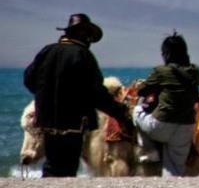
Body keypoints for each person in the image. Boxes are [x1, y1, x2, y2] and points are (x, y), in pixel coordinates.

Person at [23, 13, 132, 177]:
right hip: (73, 124)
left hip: (48, 123)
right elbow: (97, 94)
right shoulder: (83, 56)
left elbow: (29, 79)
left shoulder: (47, 51)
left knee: (52, 163)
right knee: (68, 165)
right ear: (83, 34)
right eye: (88, 35)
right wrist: (120, 112)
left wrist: (46, 96)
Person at [133, 32, 199, 177]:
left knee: (137, 109)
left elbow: (142, 92)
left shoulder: (161, 71)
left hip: (161, 126)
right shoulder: (195, 72)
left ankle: (149, 150)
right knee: (175, 169)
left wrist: (142, 85)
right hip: (186, 127)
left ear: (166, 53)